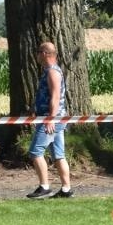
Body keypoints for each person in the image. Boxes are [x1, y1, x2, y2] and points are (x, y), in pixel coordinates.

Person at [26, 41, 72, 199]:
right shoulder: (50, 71)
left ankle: (44, 187)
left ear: (45, 53)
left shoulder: (52, 72)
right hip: (53, 118)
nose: (37, 55)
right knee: (59, 155)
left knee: (35, 152)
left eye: (38, 52)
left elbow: (55, 97)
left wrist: (50, 119)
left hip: (51, 119)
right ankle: (66, 189)